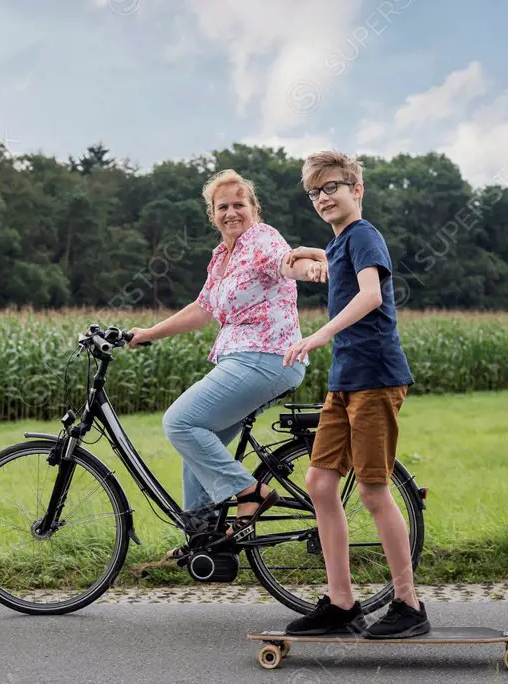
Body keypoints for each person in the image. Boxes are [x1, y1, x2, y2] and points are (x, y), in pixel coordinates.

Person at [127, 169, 327, 559]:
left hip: (265, 358)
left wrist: (311, 266)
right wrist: (148, 332)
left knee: (179, 422)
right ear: (212, 214)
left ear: (254, 209)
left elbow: (287, 263)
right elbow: (202, 310)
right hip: (246, 361)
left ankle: (249, 491)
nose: (232, 212)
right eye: (223, 207)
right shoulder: (222, 257)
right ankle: (208, 546)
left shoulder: (262, 239)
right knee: (201, 447)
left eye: (240, 204)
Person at [280, 150, 428, 638]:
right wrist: (307, 253)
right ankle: (342, 603)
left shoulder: (365, 236)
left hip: (375, 378)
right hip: (345, 382)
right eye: (315, 192)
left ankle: (409, 605)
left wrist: (320, 334)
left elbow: (370, 295)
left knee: (372, 489)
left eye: (333, 188)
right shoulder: (342, 242)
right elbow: (333, 262)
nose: (323, 198)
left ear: (356, 190)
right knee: (321, 484)